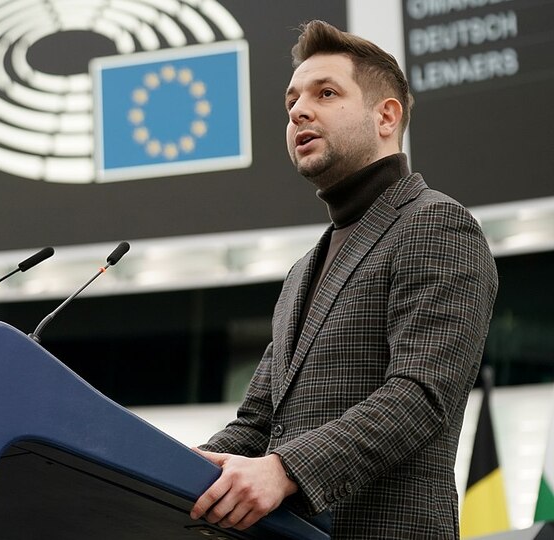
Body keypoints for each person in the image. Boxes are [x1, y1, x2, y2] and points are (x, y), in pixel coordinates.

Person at [189, 20, 498, 538]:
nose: (298, 111)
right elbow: (257, 424)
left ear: (386, 116)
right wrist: (173, 469)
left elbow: (420, 395)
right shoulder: (301, 272)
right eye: (292, 101)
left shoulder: (436, 224)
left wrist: (284, 470)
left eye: (326, 93)